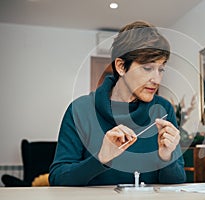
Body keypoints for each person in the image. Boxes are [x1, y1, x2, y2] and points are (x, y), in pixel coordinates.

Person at [49, 21, 186, 186]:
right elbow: (57, 178)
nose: (157, 80)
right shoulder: (80, 110)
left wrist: (166, 157)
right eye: (147, 68)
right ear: (121, 67)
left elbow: (178, 180)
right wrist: (101, 158)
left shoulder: (163, 110)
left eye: (161, 69)